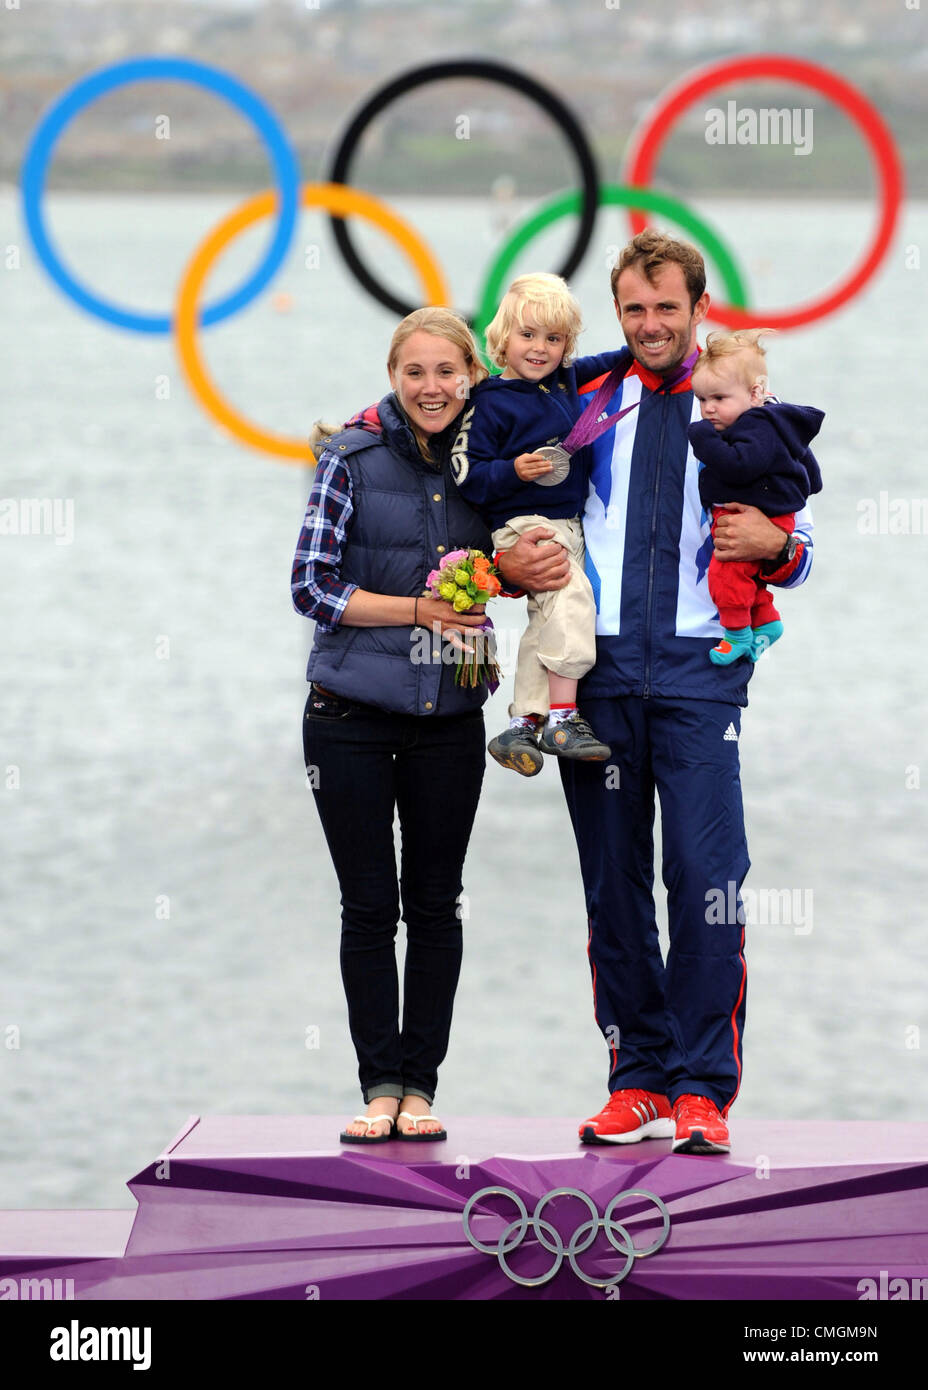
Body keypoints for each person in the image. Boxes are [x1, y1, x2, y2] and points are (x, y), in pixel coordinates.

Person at [495, 230, 815, 1155]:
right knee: (614, 885)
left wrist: (780, 549)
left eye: (666, 307)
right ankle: (637, 1078)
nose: (650, 324)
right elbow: (488, 434)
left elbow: (797, 546)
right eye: (634, 308)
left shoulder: (742, 410)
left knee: (707, 882)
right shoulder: (584, 395)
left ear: (698, 309)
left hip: (698, 681)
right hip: (594, 676)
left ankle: (703, 1088)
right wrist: (509, 562)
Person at [291, 308, 492, 1144]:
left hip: (450, 719)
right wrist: (416, 608)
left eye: (448, 371)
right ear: (394, 374)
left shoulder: (493, 464)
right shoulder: (348, 458)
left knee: (437, 906)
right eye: (416, 371)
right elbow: (312, 588)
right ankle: (379, 1086)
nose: (432, 387)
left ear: (472, 375)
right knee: (370, 908)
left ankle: (422, 1089)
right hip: (348, 720)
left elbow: (524, 551)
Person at [452, 272, 627, 774]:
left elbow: (615, 361)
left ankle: (523, 723)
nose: (539, 348)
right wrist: (513, 470)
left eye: (554, 339)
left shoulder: (566, 381)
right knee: (572, 602)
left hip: (567, 522)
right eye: (527, 335)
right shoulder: (489, 402)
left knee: (546, 619)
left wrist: (655, 352)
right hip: (525, 524)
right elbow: (467, 476)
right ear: (502, 339)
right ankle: (565, 716)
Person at [688, 328, 823, 666]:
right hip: (772, 509)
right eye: (702, 400)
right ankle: (767, 621)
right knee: (747, 575)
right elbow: (808, 467)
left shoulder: (756, 426)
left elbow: (739, 466)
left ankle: (735, 635)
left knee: (725, 573)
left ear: (755, 393)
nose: (708, 410)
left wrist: (702, 439)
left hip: (769, 516)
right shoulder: (772, 423)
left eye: (719, 399)